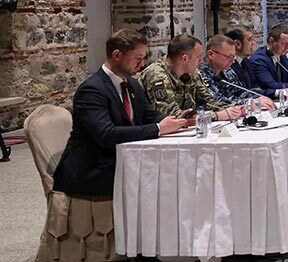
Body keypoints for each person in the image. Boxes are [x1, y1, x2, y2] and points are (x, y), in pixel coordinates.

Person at [51, 30, 189, 196]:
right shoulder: (92, 90)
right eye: (138, 58)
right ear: (117, 55)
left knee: (175, 172)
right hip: (93, 170)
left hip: (122, 159)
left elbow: (149, 115)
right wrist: (159, 128)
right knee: (164, 179)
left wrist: (177, 121)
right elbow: (106, 135)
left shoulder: (131, 83)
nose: (142, 64)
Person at [137, 34, 244, 121]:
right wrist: (217, 116)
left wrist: (235, 108)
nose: (201, 61)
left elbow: (208, 102)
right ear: (184, 58)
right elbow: (172, 115)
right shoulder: (157, 75)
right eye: (198, 56)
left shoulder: (192, 73)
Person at [197, 34, 275, 110]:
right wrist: (249, 103)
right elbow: (216, 102)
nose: (233, 61)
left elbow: (241, 92)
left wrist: (258, 98)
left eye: (234, 57)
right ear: (211, 54)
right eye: (229, 57)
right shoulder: (200, 74)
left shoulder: (228, 71)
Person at [247, 24, 288, 95]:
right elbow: (272, 86)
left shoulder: (282, 56)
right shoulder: (258, 60)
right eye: (284, 44)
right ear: (271, 41)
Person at [225, 27, 273, 98]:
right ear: (238, 44)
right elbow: (241, 93)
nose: (253, 43)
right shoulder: (227, 65)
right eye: (249, 40)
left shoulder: (246, 61)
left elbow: (254, 86)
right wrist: (276, 92)